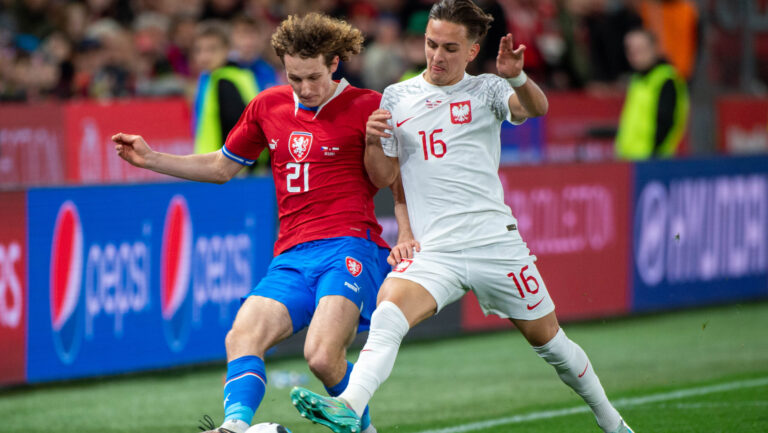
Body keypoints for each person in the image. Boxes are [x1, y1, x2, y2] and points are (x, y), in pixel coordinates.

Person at [289, 1, 634, 433]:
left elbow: (535, 108)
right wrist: (374, 144)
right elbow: (386, 178)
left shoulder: (487, 89)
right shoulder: (397, 97)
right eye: (431, 44)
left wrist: (518, 77)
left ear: (471, 51)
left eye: (450, 48)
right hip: (437, 250)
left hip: (494, 244)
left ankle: (613, 423)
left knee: (551, 343)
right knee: (389, 308)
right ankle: (350, 405)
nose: (437, 56)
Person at [113, 12, 416, 433]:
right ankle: (235, 426)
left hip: (348, 246)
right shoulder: (268, 105)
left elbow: (388, 179)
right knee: (242, 335)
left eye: (313, 77)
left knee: (322, 357)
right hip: (291, 255)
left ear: (334, 63)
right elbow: (221, 167)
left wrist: (374, 148)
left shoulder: (369, 105)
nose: (305, 89)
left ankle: (363, 428)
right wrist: (151, 159)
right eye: (295, 78)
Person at [615, 28, 689, 160]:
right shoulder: (637, 80)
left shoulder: (666, 79)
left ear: (654, 48)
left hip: (652, 161)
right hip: (629, 159)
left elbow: (666, 121)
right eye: (631, 50)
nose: (634, 55)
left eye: (640, 49)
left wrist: (654, 154)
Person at [191, 21, 258, 157]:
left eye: (212, 49)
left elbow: (239, 128)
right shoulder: (210, 78)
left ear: (227, 49)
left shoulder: (224, 82)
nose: (204, 56)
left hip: (229, 164)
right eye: (199, 50)